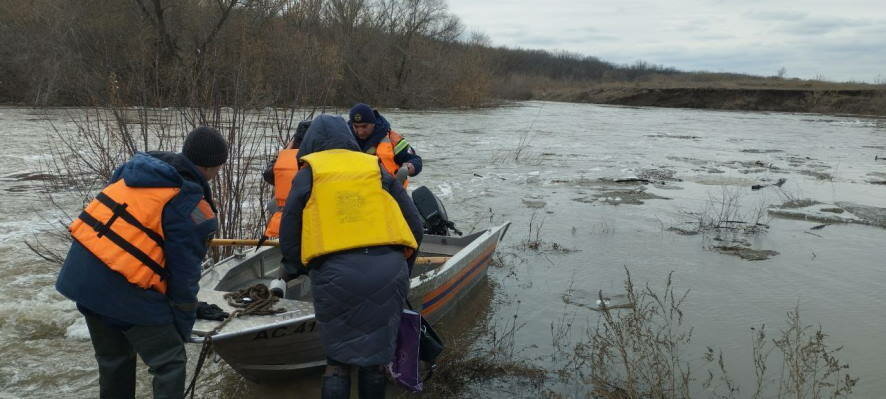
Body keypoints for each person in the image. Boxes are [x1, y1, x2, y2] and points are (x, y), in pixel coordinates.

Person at [55, 126, 228, 398]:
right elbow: (184, 276)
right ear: (214, 166)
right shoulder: (191, 205)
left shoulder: (134, 173)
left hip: (83, 281)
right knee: (170, 363)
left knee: (115, 361)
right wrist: (181, 326)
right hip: (125, 290)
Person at [278, 115, 423, 398]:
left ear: (310, 144)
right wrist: (404, 265)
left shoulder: (310, 171)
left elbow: (291, 228)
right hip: (389, 269)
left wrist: (298, 267)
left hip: (335, 274)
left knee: (338, 361)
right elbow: (414, 225)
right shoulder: (374, 167)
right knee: (375, 361)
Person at [348, 103, 423, 186]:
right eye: (356, 126)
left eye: (364, 126)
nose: (360, 132)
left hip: (390, 192)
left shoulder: (392, 138)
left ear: (373, 123)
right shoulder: (344, 139)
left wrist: (409, 167)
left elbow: (416, 159)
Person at [262, 120, 311, 239]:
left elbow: (268, 174)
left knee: (274, 204)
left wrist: (283, 153)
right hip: (306, 222)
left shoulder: (285, 159)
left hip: (283, 222)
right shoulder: (315, 157)